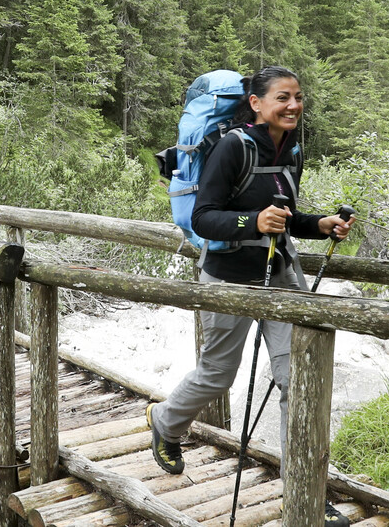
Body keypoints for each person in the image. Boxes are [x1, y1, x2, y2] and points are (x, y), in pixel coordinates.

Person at [144, 66, 354, 527]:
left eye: (298, 97)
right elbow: (204, 218)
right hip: (227, 279)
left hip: (279, 278)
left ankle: (305, 490)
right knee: (218, 375)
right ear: (256, 103)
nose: (294, 105)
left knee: (295, 381)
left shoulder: (292, 150)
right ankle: (165, 422)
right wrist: (251, 223)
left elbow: (285, 215)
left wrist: (317, 224)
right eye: (283, 98)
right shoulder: (232, 147)